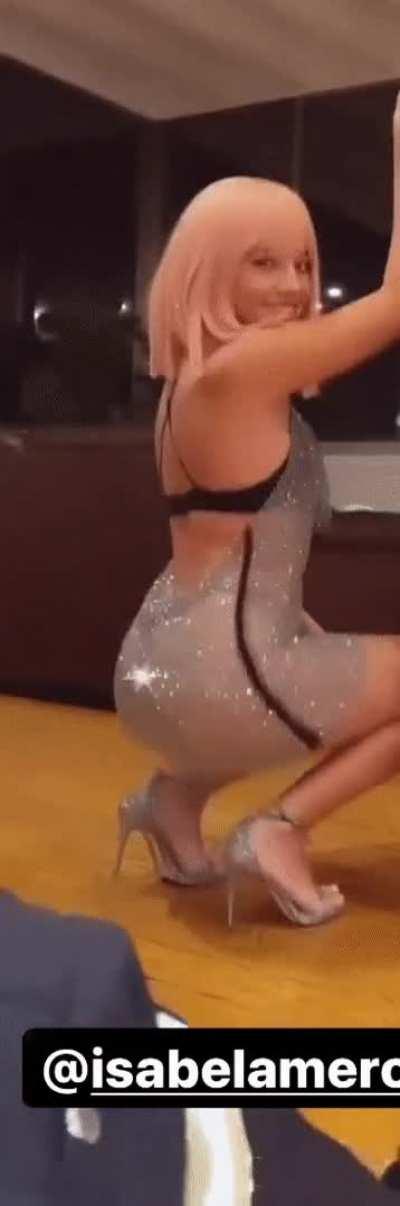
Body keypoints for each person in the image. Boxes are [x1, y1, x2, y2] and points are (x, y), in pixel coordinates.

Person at [114, 93, 400, 927]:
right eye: (262, 263)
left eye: (303, 264)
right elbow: (396, 304)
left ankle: (171, 802)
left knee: (333, 680)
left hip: (161, 661)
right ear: (205, 267)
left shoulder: (189, 384)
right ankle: (279, 829)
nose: (293, 285)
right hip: (226, 670)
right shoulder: (245, 372)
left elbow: (235, 549)